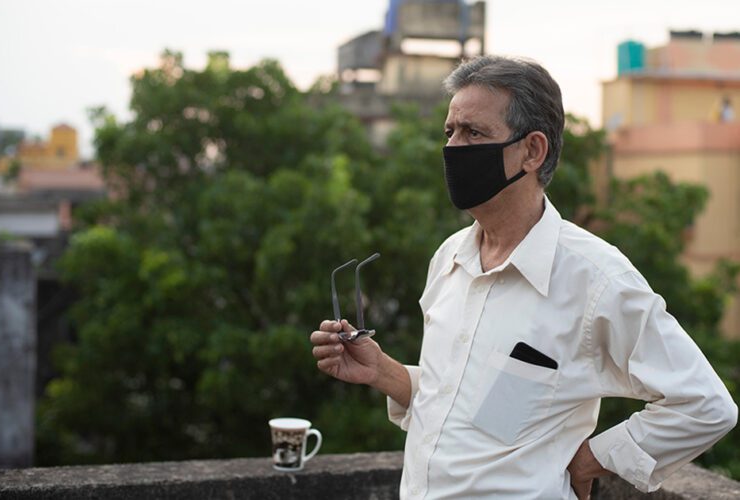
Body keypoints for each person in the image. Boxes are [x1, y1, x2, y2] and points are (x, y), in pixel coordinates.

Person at [310, 55, 738, 499]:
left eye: (474, 132)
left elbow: (705, 406)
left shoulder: (594, 279)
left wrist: (595, 458)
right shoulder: (449, 259)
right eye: (450, 131)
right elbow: (461, 407)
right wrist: (383, 372)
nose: (454, 148)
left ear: (532, 151)